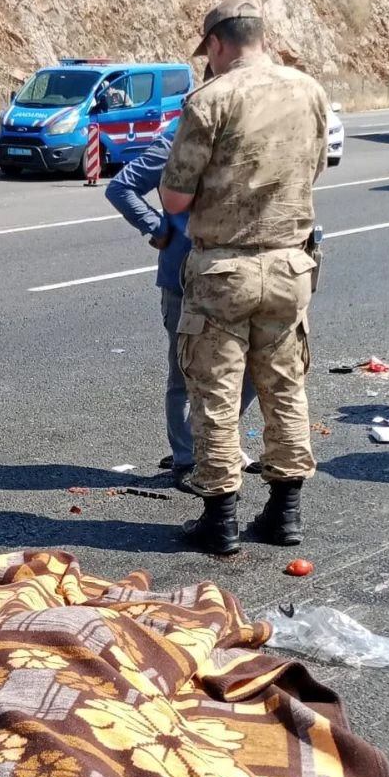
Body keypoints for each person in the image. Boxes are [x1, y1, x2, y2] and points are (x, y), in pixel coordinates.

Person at [158, 0, 329, 555]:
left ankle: (221, 519)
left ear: (216, 44)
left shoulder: (211, 98)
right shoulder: (309, 90)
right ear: (261, 34)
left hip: (223, 269)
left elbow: (176, 197)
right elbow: (315, 170)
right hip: (290, 264)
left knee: (215, 392)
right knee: (285, 387)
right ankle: (286, 514)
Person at [104, 112, 259, 494]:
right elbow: (121, 187)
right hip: (183, 279)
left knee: (254, 364)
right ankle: (187, 460)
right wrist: (157, 229)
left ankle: (213, 440)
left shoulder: (246, 135)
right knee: (185, 372)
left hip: (237, 274)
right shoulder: (176, 142)